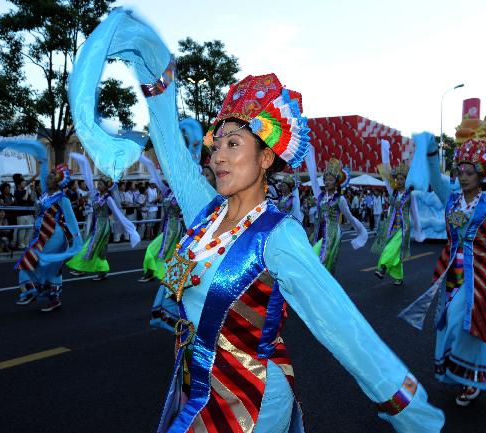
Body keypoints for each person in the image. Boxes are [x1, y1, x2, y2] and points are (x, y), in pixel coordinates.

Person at [70, 15, 444, 431]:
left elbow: (341, 327)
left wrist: (408, 407)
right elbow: (173, 150)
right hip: (197, 390)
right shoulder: (207, 214)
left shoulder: (278, 234)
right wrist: (152, 71)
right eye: (217, 145)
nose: (218, 157)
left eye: (234, 145)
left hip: (251, 400)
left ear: (266, 158)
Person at [400, 121, 486, 407]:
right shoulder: (451, 200)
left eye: (470, 173)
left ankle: (471, 374)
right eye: (460, 172)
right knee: (447, 324)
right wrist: (430, 152)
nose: (464, 177)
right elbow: (435, 179)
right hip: (450, 271)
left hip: (479, 272)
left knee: (462, 321)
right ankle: (467, 375)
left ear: (481, 175)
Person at [0, 140, 83, 311]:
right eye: (48, 176)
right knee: (30, 261)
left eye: (51, 177)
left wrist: (76, 240)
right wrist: (42, 161)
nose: (47, 178)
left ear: (58, 181)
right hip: (40, 233)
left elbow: (71, 220)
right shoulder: (46, 194)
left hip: (54, 234)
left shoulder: (62, 198)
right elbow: (43, 173)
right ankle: (34, 291)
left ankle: (52, 297)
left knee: (45, 265)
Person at [66, 153, 139, 280]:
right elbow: (88, 178)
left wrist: (130, 229)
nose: (98, 186)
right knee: (99, 249)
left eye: (100, 184)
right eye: (98, 184)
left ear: (106, 186)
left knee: (91, 246)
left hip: (103, 225)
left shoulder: (108, 198)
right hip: (96, 224)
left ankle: (81, 267)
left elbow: (118, 214)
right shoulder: (96, 195)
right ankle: (102, 271)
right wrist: (83, 162)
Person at [305, 155, 368, 273]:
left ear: (336, 183)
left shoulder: (340, 199)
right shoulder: (321, 196)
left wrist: (361, 231)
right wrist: (309, 156)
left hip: (332, 232)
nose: (327, 182)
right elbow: (313, 180)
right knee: (312, 257)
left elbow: (349, 217)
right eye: (326, 179)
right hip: (319, 231)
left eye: (330, 180)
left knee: (323, 260)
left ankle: (323, 286)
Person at [372, 162, 423, 286]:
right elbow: (385, 177)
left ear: (407, 180)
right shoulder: (393, 193)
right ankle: (399, 276)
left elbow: (415, 212)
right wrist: (385, 149)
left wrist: (418, 230)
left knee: (391, 248)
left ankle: (383, 267)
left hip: (403, 227)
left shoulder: (410, 194)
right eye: (397, 178)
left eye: (402, 179)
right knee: (396, 253)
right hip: (391, 226)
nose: (399, 181)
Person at [138, 155, 184, 283]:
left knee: (167, 253)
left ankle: (165, 277)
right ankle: (156, 273)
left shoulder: (182, 195)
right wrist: (147, 162)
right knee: (155, 250)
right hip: (166, 226)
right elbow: (157, 179)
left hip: (174, 228)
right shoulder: (167, 192)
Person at [13, 177, 37, 249]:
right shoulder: (16, 192)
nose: (25, 184)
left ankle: (26, 244)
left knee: (29, 230)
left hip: (29, 213)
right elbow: (24, 199)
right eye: (23, 183)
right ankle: (21, 244)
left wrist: (32, 190)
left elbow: (32, 199)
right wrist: (28, 190)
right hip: (21, 214)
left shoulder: (27, 191)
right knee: (22, 230)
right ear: (18, 185)